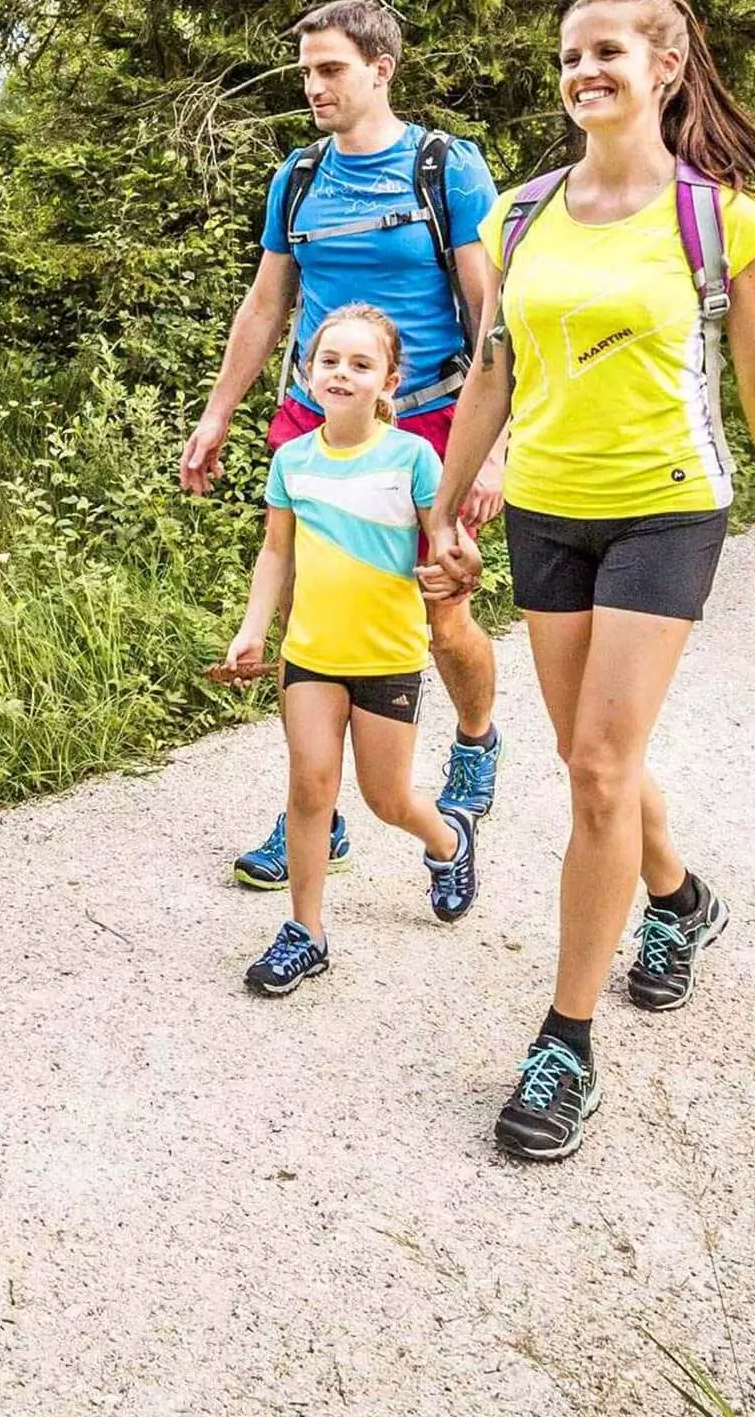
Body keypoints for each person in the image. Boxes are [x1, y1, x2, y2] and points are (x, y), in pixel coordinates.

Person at [418, 0, 755, 1162]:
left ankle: (563, 1043)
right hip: (548, 510)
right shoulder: (521, 217)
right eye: (570, 54)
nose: (585, 69)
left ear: (667, 65)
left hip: (668, 511)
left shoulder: (721, 221)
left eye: (608, 52)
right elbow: (493, 369)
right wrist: (444, 506)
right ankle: (682, 900)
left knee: (596, 763)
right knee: (596, 754)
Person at [179, 0, 508, 889]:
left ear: (379, 69)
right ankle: (312, 815)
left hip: (431, 414)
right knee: (311, 610)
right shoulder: (301, 176)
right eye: (307, 70)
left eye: (330, 68)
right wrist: (218, 413)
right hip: (315, 415)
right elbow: (264, 306)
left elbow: (491, 316)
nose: (314, 85)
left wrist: (495, 446)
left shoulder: (445, 169)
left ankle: (476, 739)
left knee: (438, 610)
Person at [225, 305, 480, 995]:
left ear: (389, 381)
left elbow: (448, 537)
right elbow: (275, 553)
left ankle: (448, 840)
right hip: (310, 654)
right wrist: (254, 630)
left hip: (388, 655)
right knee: (310, 788)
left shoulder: (412, 457)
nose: (342, 373)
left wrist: (460, 562)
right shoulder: (292, 460)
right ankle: (305, 933)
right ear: (307, 373)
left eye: (361, 364)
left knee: (387, 797)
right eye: (329, 360)